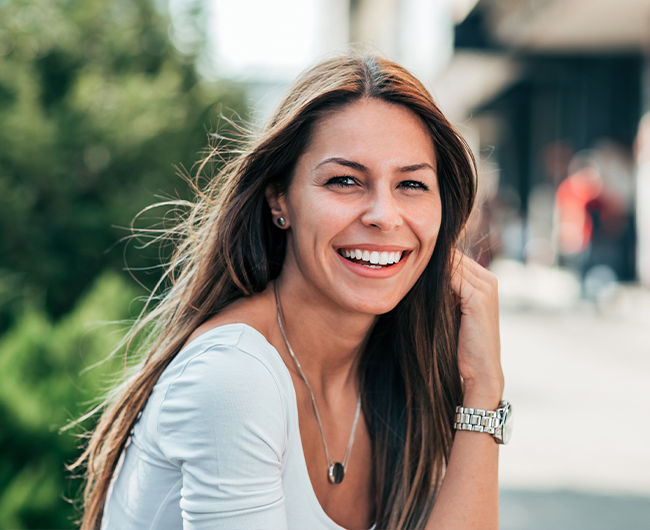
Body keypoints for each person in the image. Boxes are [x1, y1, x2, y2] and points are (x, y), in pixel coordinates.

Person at [73, 53, 508, 530]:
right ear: (280, 199)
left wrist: (483, 390)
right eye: (344, 180)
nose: (384, 215)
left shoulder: (395, 369)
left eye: (411, 184)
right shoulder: (233, 375)